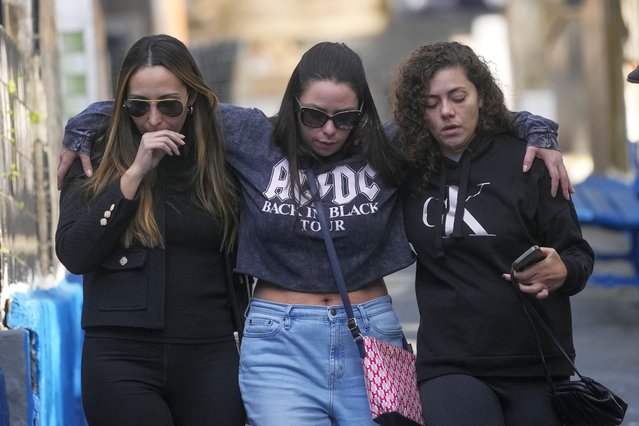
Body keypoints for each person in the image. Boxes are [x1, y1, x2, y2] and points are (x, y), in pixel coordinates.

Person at [58, 40, 570, 425]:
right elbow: (166, 99)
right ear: (291, 105)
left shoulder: (393, 144)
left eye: (344, 118)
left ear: (363, 114)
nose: (328, 130)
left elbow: (459, 112)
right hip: (277, 338)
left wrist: (538, 130)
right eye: (313, 116)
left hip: (371, 333)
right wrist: (85, 122)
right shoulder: (249, 134)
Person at [393, 41, 594, 426]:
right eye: (431, 104)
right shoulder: (407, 165)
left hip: (537, 362)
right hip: (449, 362)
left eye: (458, 97)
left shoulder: (530, 160)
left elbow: (579, 255)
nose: (446, 112)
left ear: (481, 97)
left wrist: (563, 271)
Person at [55, 35, 248, 425]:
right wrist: (134, 174)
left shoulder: (223, 157)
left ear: (191, 99)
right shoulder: (94, 153)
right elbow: (74, 253)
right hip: (120, 358)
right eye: (138, 106)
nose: (154, 120)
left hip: (209, 351)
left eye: (170, 106)